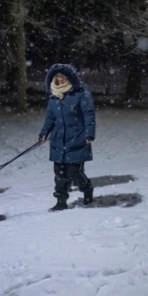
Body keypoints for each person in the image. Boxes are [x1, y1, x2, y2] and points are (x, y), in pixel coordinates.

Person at [39, 63, 96, 211]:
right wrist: (44, 132)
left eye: (64, 77)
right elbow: (50, 117)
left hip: (77, 138)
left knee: (74, 172)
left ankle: (87, 189)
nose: (61, 80)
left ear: (70, 78)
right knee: (60, 173)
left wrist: (89, 133)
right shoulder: (53, 95)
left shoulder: (80, 92)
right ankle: (61, 201)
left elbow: (88, 113)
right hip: (58, 139)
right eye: (58, 77)